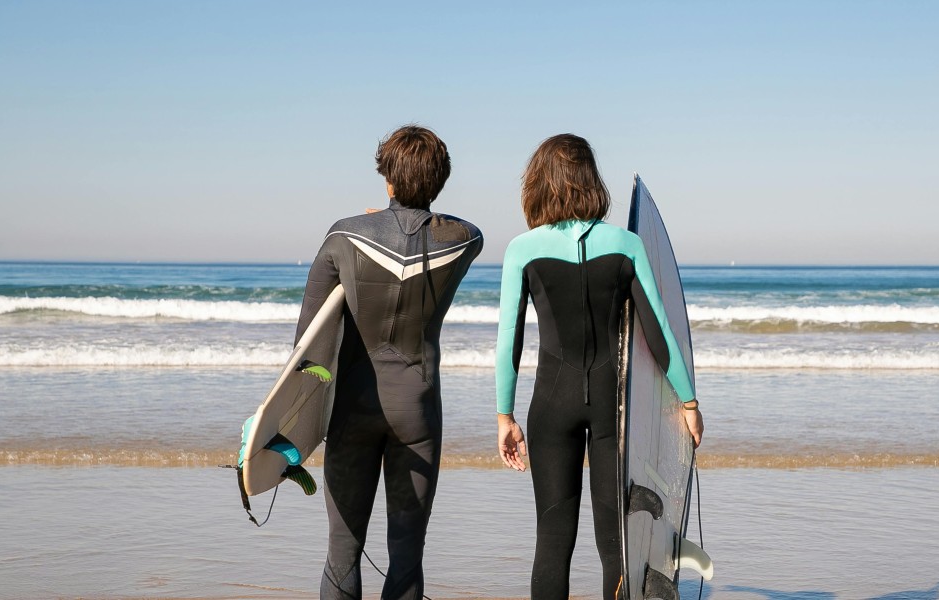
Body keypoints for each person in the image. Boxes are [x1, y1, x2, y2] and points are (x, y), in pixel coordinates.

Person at [494, 134, 703, 599]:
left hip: (551, 406)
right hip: (614, 408)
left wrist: (504, 416)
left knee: (552, 540)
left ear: (538, 183)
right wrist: (688, 402)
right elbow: (659, 332)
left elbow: (509, 341)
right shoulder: (626, 244)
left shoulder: (521, 249)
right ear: (591, 179)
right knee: (617, 546)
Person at [295, 125, 482, 600]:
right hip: (417, 411)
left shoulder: (344, 235)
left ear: (387, 179)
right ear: (440, 181)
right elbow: (465, 229)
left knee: (342, 555)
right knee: (406, 556)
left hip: (351, 409)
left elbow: (306, 347)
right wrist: (404, 214)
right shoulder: (463, 241)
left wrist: (379, 220)